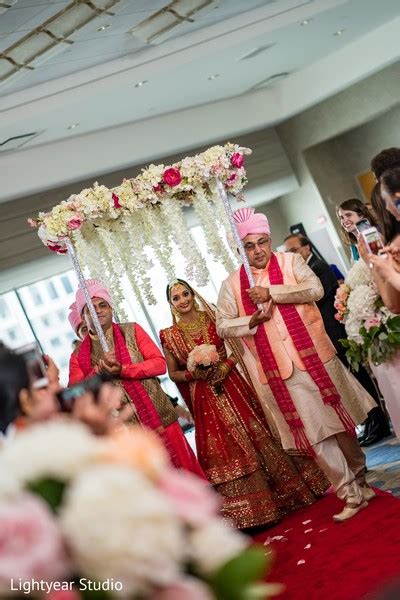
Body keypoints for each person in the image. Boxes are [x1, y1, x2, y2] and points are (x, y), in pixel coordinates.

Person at [216, 207, 377, 522]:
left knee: (343, 426)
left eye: (262, 242)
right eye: (249, 245)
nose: (258, 250)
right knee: (318, 436)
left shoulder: (291, 262)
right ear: (239, 249)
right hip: (279, 370)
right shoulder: (231, 284)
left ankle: (359, 478)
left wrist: (272, 292)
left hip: (316, 357)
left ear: (269, 239)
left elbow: (315, 290)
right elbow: (223, 325)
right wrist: (252, 320)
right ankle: (350, 495)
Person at [160, 279, 329, 529]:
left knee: (256, 432)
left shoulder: (213, 317)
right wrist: (194, 374)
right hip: (205, 396)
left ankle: (287, 494)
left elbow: (234, 345)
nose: (183, 300)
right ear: (171, 304)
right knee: (224, 446)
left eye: (186, 294)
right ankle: (246, 514)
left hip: (231, 384)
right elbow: (173, 373)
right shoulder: (169, 335)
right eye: (176, 298)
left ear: (193, 295)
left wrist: (224, 367)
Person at [68, 279, 204, 477]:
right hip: (124, 433)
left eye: (102, 305)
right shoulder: (78, 356)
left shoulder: (131, 330)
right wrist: (99, 371)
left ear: (111, 308)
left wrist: (123, 369)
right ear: (83, 316)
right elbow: (76, 393)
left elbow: (159, 363)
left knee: (187, 472)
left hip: (160, 417)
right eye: (90, 309)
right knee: (150, 483)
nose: (98, 311)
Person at [283, 234, 390, 446]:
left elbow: (316, 297)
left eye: (293, 250)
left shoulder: (318, 267)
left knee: (359, 378)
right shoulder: (307, 270)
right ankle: (370, 423)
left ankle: (379, 422)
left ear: (306, 248)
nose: (291, 255)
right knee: (353, 382)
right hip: (327, 333)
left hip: (334, 331)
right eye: (288, 252)